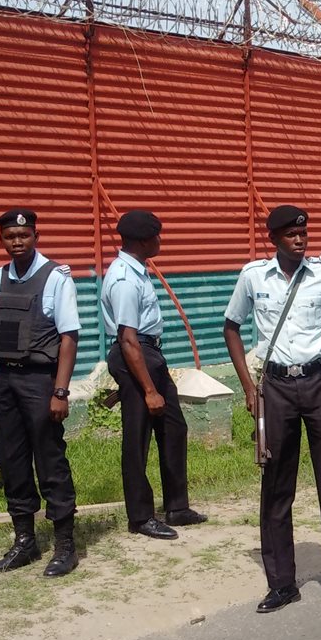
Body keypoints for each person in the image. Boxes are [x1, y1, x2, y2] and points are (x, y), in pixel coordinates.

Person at [223, 205, 321, 615]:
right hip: (277, 389)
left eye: (303, 233)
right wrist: (249, 387)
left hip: (319, 383)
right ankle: (281, 584)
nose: (300, 240)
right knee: (276, 488)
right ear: (274, 239)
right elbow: (230, 327)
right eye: (290, 234)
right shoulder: (253, 276)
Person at [0, 209, 81, 577]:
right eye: (9, 236)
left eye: (23, 235)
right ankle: (24, 542)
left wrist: (60, 390)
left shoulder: (56, 277)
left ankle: (65, 546)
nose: (16, 242)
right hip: (5, 380)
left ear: (35, 236)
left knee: (50, 461)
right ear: (2, 240)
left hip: (41, 381)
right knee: (11, 461)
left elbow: (69, 337)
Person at [101, 209, 206, 540]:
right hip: (135, 355)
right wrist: (148, 390)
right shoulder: (124, 279)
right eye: (157, 236)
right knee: (138, 438)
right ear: (144, 240)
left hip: (149, 354)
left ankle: (177, 506)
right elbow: (128, 338)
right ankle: (140, 516)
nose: (161, 241)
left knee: (174, 427)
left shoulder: (138, 271)